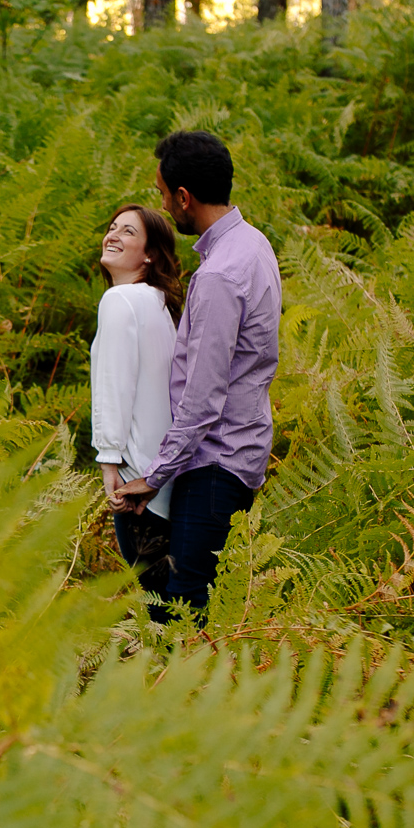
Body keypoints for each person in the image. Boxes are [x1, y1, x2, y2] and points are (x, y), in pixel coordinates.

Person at [112, 130, 281, 624]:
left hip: (214, 466)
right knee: (193, 603)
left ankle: (185, 695)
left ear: (184, 197)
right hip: (238, 452)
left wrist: (154, 477)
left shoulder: (217, 278)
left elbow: (203, 400)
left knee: (180, 612)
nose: (163, 205)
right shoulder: (253, 244)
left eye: (164, 195)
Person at [89, 204, 183, 596]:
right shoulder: (159, 304)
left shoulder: (120, 300)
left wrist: (109, 459)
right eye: (112, 227)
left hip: (136, 486)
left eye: (127, 231)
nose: (112, 235)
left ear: (150, 253)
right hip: (169, 479)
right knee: (175, 605)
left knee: (158, 609)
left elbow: (115, 383)